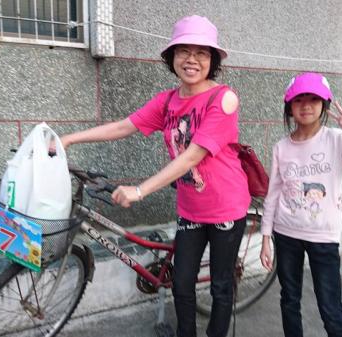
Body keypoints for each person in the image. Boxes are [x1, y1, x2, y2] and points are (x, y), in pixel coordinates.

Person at [59, 15, 250, 337]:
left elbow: (193, 154)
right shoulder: (168, 101)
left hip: (226, 208)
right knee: (182, 283)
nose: (192, 59)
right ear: (172, 57)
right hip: (191, 207)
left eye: (202, 53)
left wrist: (140, 190)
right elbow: (124, 126)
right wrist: (68, 139)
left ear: (213, 60)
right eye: (183, 51)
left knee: (220, 285)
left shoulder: (224, 99)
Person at [259, 72, 342, 337]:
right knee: (289, 299)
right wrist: (264, 237)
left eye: (314, 100)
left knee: (330, 307)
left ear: (324, 105)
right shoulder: (281, 147)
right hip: (286, 235)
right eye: (299, 100)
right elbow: (273, 194)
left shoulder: (337, 139)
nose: (306, 106)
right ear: (289, 107)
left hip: (324, 238)